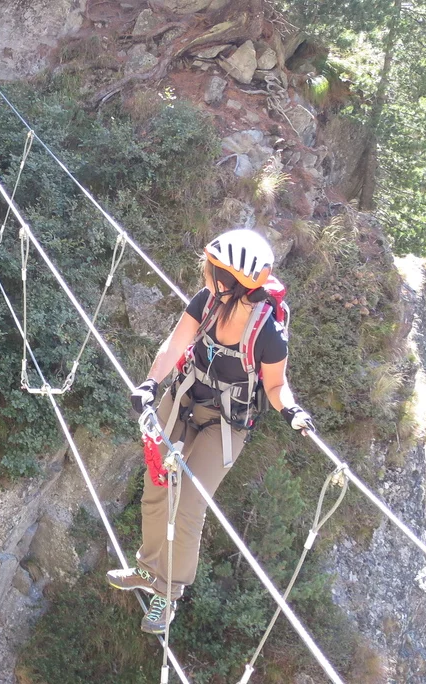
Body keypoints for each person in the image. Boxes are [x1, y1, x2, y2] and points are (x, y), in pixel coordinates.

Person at [107, 228, 316, 634]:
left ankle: (167, 593)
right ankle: (148, 570)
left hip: (226, 423)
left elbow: (276, 386)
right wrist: (150, 383)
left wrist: (292, 411)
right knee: (157, 485)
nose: (205, 274)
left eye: (211, 269)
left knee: (188, 505)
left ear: (228, 281)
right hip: (182, 399)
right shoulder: (206, 302)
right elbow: (174, 344)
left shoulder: (267, 334)